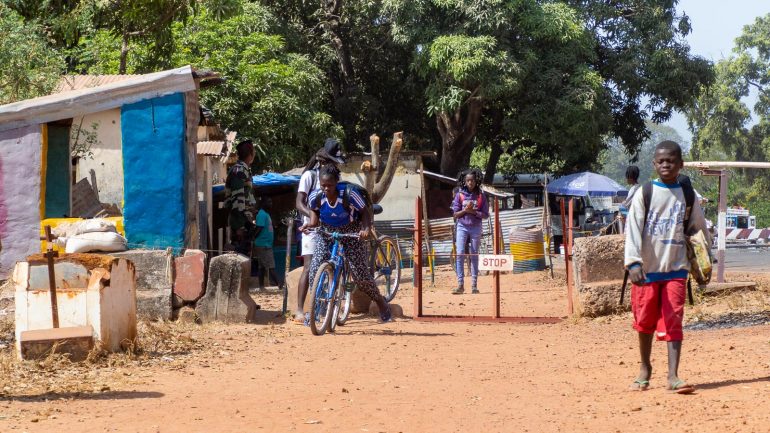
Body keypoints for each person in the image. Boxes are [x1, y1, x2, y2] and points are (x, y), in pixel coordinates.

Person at [624, 140, 708, 394]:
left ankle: (673, 376)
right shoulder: (645, 192)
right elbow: (633, 229)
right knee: (645, 321)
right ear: (654, 164)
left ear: (681, 165)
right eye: (660, 161)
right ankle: (645, 368)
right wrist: (633, 263)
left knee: (674, 320)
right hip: (647, 271)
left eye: (670, 161)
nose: (665, 165)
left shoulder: (688, 194)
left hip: (676, 269)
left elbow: (698, 229)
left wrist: (703, 261)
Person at [300, 164, 391, 322]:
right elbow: (314, 215)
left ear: (336, 182)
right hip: (327, 231)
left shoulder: (350, 194)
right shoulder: (316, 196)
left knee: (360, 274)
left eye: (330, 185)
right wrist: (309, 225)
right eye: (323, 185)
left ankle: (381, 303)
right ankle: (315, 310)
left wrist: (365, 228)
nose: (326, 189)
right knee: (315, 267)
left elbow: (365, 212)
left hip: (351, 231)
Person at [293, 138, 345, 322]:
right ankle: (300, 309)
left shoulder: (336, 179)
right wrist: (313, 216)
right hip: (311, 228)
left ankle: (329, 306)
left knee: (333, 265)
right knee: (309, 267)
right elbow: (299, 202)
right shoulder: (310, 176)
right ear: (323, 161)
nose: (335, 167)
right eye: (333, 162)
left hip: (330, 228)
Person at [451, 168, 489, 295]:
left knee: (474, 254)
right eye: (467, 181)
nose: (470, 183)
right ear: (464, 181)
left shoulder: (481, 196)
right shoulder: (460, 195)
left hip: (476, 227)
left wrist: (474, 212)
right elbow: (455, 215)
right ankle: (460, 284)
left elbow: (485, 215)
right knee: (460, 253)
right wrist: (466, 211)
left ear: (476, 181)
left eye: (472, 180)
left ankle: (474, 285)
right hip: (462, 226)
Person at [225, 140, 257, 257]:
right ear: (250, 154)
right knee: (239, 257)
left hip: (245, 221)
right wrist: (239, 226)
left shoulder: (244, 170)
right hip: (240, 223)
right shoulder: (239, 171)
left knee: (245, 257)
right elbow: (238, 200)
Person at [252, 196, 284, 292]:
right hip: (263, 244)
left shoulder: (265, 214)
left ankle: (261, 286)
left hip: (265, 244)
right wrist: (253, 238)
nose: (271, 204)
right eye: (269, 202)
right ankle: (280, 284)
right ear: (263, 203)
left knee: (261, 267)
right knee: (271, 266)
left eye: (271, 202)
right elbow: (259, 228)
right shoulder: (262, 214)